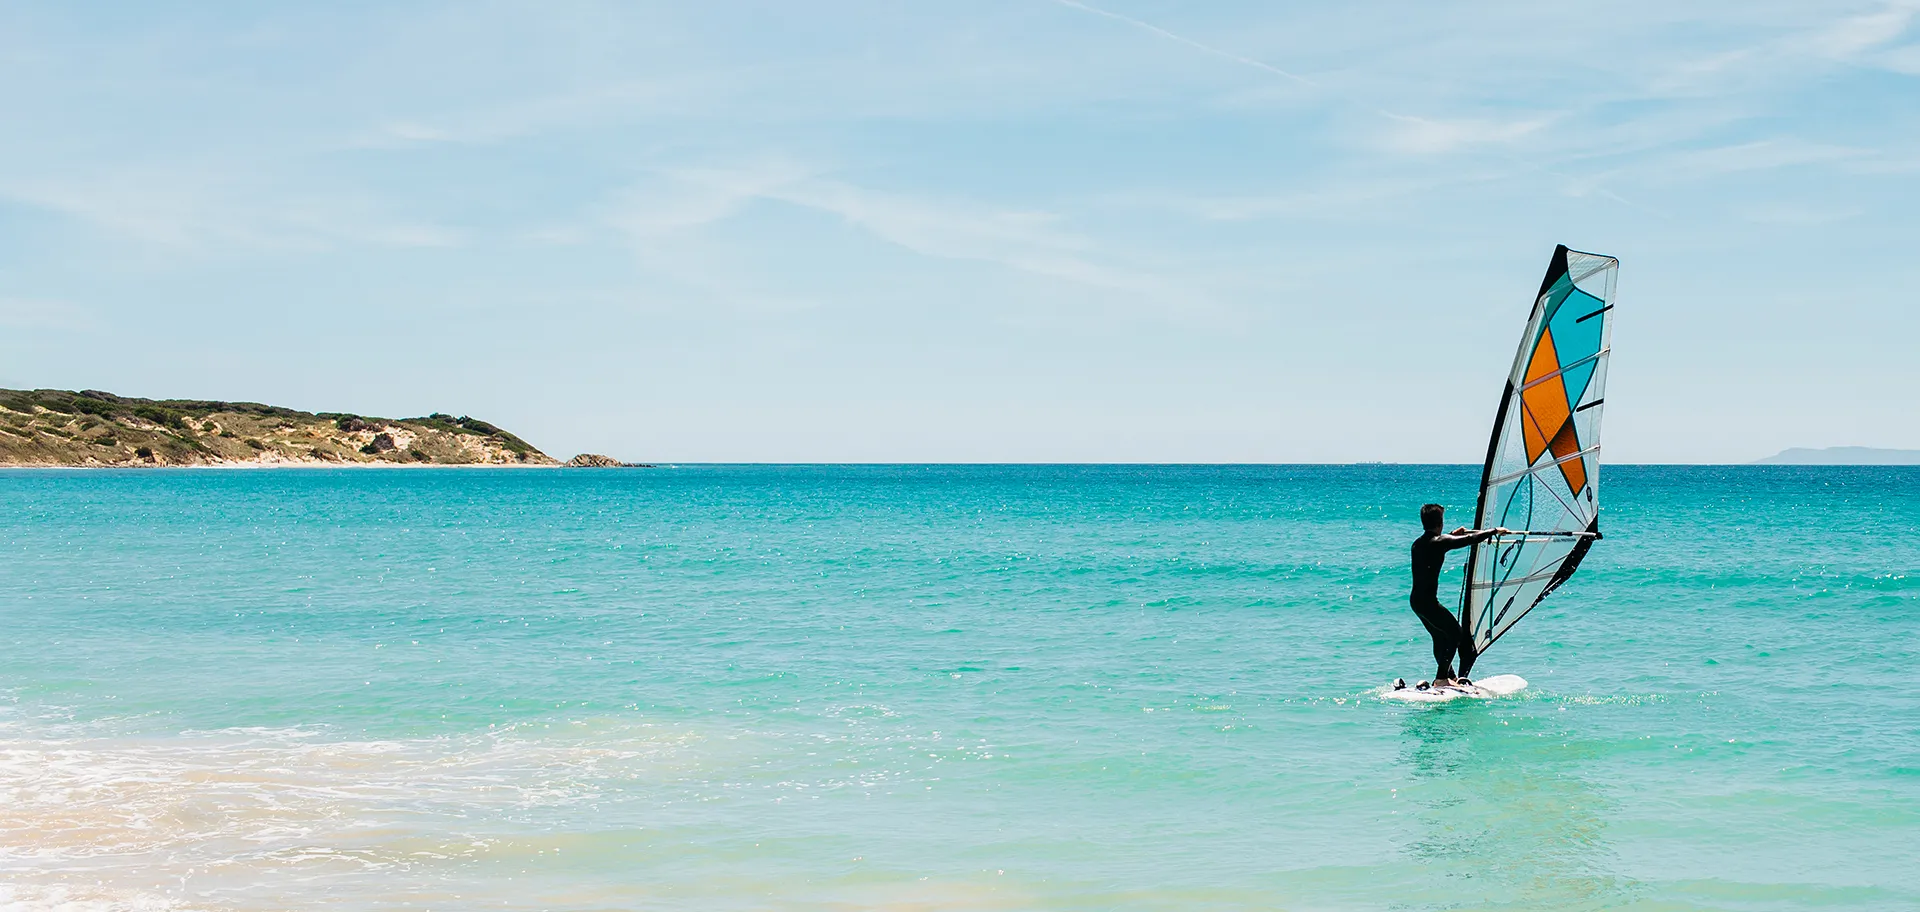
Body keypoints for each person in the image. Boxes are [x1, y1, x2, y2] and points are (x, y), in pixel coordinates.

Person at [1410, 503, 1506, 687]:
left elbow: (1441, 543)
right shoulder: (1440, 542)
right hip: (1428, 603)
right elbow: (1470, 539)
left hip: (1416, 602)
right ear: (1440, 522)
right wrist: (1494, 531)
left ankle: (1449, 677)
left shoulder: (1418, 543)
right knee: (1455, 633)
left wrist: (1452, 535)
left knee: (1439, 637)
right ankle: (1441, 679)